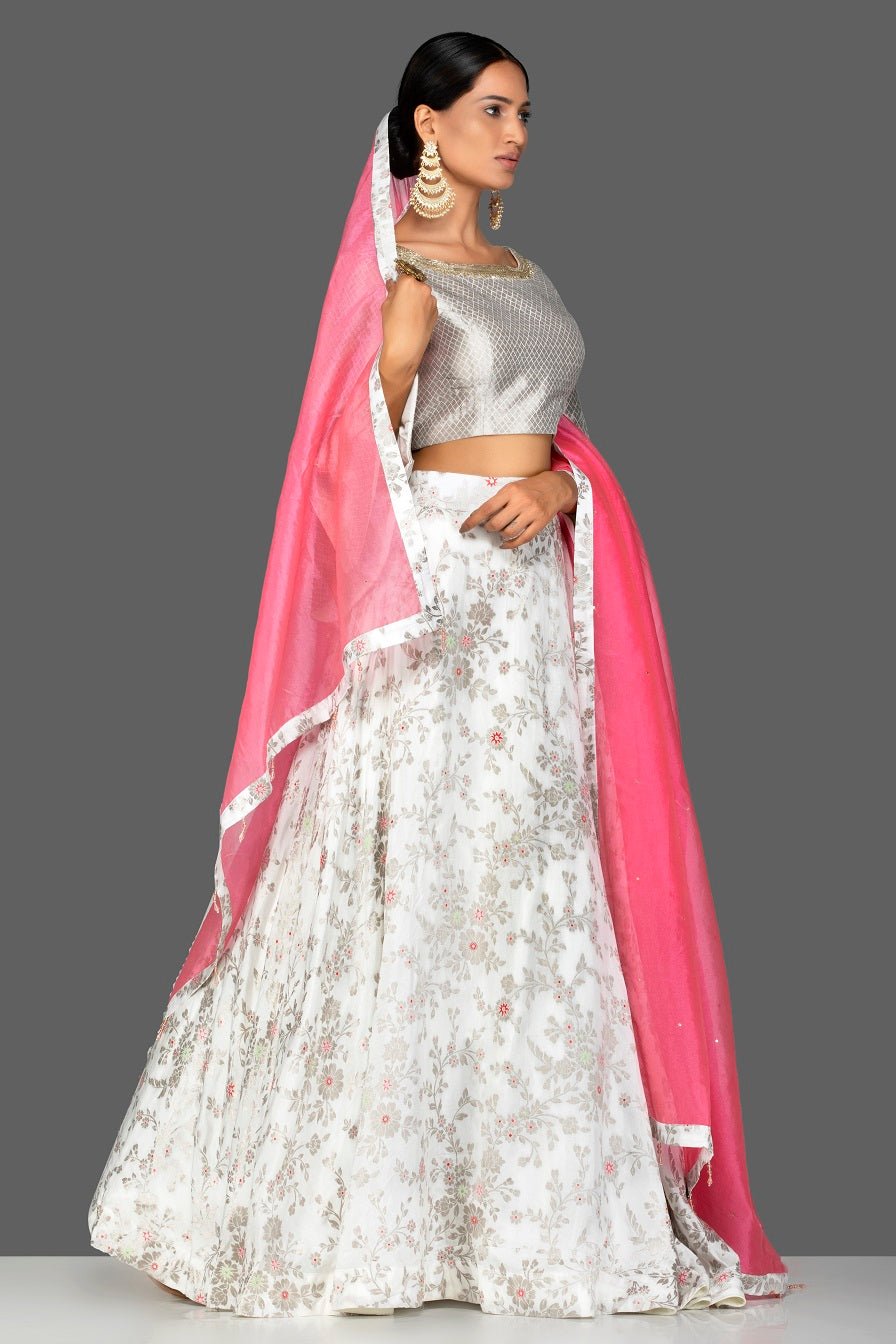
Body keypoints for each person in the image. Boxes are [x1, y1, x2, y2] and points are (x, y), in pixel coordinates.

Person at [87, 31, 790, 1318]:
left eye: (524, 114)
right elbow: (340, 462)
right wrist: (398, 375)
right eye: (491, 110)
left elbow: (549, 431)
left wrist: (564, 487)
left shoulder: (525, 272)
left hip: (531, 603)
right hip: (435, 600)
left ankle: (526, 1214)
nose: (515, 134)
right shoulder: (397, 272)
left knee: (530, 879)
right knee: (419, 874)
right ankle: (379, 1216)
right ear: (427, 124)